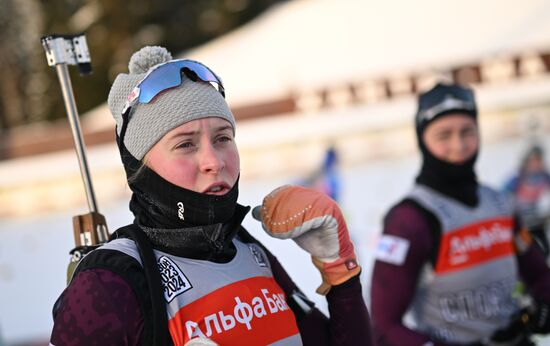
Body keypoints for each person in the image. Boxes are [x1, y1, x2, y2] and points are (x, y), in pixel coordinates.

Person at [49, 46, 371, 346]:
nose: (214, 162)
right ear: (141, 166)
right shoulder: (108, 284)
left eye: (222, 138)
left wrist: (339, 271)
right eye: (185, 144)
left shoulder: (247, 250)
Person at [370, 82, 550, 346]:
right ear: (423, 139)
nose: (459, 145)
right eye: (444, 135)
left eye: (468, 131)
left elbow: (538, 274)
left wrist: (545, 304)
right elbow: (383, 325)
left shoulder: (499, 203)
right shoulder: (407, 220)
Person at [503, 145, 550, 257]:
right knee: (524, 251)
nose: (537, 163)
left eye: (539, 160)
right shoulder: (519, 177)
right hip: (521, 220)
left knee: (545, 249)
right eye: (534, 160)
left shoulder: (544, 176)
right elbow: (503, 193)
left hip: (537, 219)